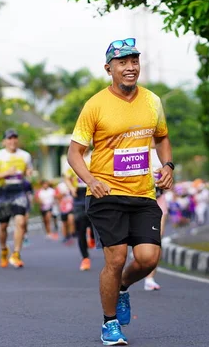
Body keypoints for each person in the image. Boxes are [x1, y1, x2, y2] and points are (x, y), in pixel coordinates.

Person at [68, 37, 174, 346]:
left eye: (134, 61)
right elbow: (74, 153)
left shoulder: (153, 101)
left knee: (148, 258)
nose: (130, 67)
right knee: (115, 259)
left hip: (142, 194)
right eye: (123, 63)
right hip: (106, 194)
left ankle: (124, 287)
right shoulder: (95, 105)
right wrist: (90, 180)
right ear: (109, 68)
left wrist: (168, 165)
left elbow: (162, 137)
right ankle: (109, 323)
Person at [0, 129, 33, 268]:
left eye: (14, 138)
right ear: (4, 141)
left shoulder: (25, 156)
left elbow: (28, 170)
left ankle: (16, 254)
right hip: (3, 192)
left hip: (19, 191)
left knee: (20, 222)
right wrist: (6, 173)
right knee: (3, 226)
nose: (12, 141)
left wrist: (28, 172)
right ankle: (3, 249)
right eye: (9, 138)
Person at [143, 146, 170, 291]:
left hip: (159, 200)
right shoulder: (136, 148)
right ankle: (140, 256)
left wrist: (163, 177)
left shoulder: (162, 154)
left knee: (157, 239)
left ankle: (150, 278)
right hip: (140, 200)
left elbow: (169, 180)